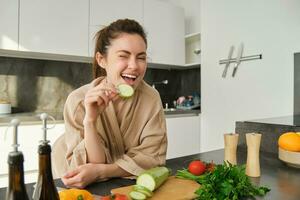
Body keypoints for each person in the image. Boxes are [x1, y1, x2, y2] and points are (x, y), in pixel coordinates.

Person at [52, 19, 167, 188]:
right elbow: (88, 167)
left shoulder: (151, 98)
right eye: (123, 56)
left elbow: (152, 158)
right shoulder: (78, 101)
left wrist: (102, 171)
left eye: (141, 57)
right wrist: (90, 121)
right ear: (102, 60)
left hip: (125, 186)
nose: (134, 65)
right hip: (76, 184)